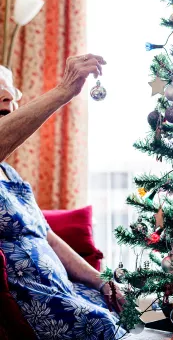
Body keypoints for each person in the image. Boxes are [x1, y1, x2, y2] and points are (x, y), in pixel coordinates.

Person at [0, 56, 131, 339]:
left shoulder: (10, 173)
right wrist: (64, 90)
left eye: (9, 96)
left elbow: (47, 236)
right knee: (101, 325)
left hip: (61, 289)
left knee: (115, 313)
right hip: (30, 300)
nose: (6, 100)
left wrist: (101, 281)